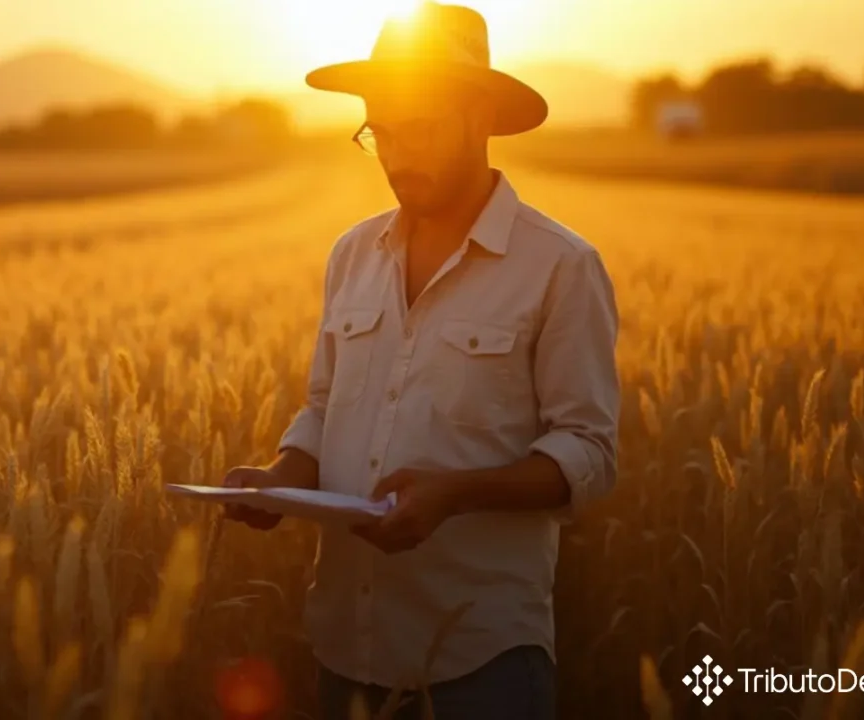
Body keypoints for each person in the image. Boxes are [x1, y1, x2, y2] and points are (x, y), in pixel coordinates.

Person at [219, 3, 621, 718]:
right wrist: (281, 482)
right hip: (345, 648)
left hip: (482, 661)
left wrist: (454, 494)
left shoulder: (561, 266)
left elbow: (589, 452)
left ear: (480, 118)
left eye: (422, 130)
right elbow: (322, 409)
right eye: (381, 134)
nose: (398, 157)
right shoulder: (352, 254)